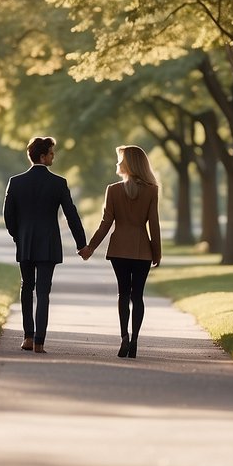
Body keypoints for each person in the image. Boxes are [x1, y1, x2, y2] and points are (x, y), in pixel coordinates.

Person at [3, 136, 89, 353]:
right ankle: (40, 341)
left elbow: (8, 215)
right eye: (51, 153)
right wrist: (82, 244)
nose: (53, 156)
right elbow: (71, 215)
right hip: (48, 244)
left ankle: (28, 337)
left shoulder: (16, 181)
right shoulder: (58, 183)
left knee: (26, 288)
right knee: (43, 292)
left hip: (25, 242)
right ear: (43, 156)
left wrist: (17, 235)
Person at [81, 145, 161, 359]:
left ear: (127, 164)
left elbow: (106, 223)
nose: (117, 163)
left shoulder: (113, 190)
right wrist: (157, 252)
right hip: (142, 249)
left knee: (123, 294)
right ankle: (135, 340)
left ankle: (124, 336)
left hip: (119, 249)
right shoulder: (152, 190)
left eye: (120, 160)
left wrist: (90, 248)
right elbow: (154, 224)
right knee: (138, 296)